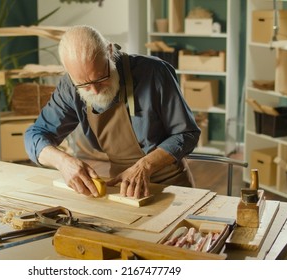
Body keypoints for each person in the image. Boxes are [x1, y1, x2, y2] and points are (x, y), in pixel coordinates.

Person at [24, 25, 200, 199]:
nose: (94, 90)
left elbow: (187, 133)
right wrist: (62, 162)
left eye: (100, 78)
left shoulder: (154, 72)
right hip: (123, 188)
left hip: (171, 186)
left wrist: (144, 166)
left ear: (109, 52)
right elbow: (35, 134)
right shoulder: (69, 87)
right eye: (83, 84)